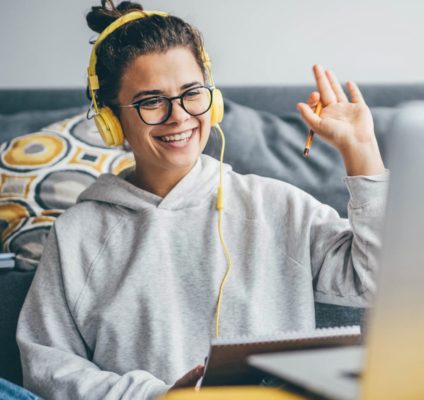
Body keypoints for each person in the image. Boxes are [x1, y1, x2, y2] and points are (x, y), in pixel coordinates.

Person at [16, 1, 388, 399]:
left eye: (191, 94)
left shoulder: (279, 206)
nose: (178, 117)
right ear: (111, 122)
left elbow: (378, 282)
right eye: (151, 102)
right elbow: (47, 367)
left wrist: (361, 148)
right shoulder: (78, 234)